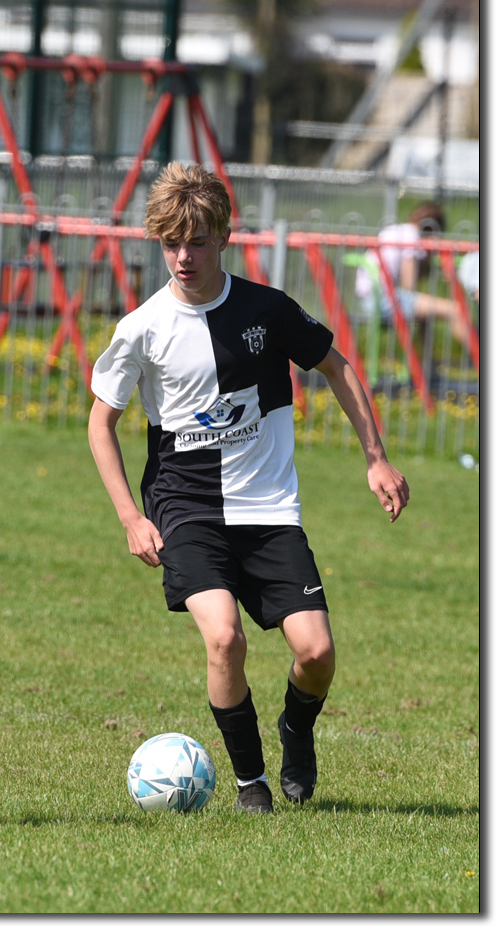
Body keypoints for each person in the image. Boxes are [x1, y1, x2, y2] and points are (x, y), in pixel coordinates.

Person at [88, 163, 409, 813]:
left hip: (268, 510)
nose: (183, 255)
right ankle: (249, 784)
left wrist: (376, 457)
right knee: (225, 637)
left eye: (197, 240)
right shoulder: (142, 329)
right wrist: (130, 516)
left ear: (223, 238)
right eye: (172, 241)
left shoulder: (265, 309)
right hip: (187, 511)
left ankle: (296, 726)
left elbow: (337, 367)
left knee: (316, 653)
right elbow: (101, 425)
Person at [355, 203, 470, 351]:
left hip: (371, 297)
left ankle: (426, 366)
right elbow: (409, 285)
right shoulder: (412, 236)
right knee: (454, 309)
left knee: (426, 313)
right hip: (382, 298)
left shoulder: (397, 230)